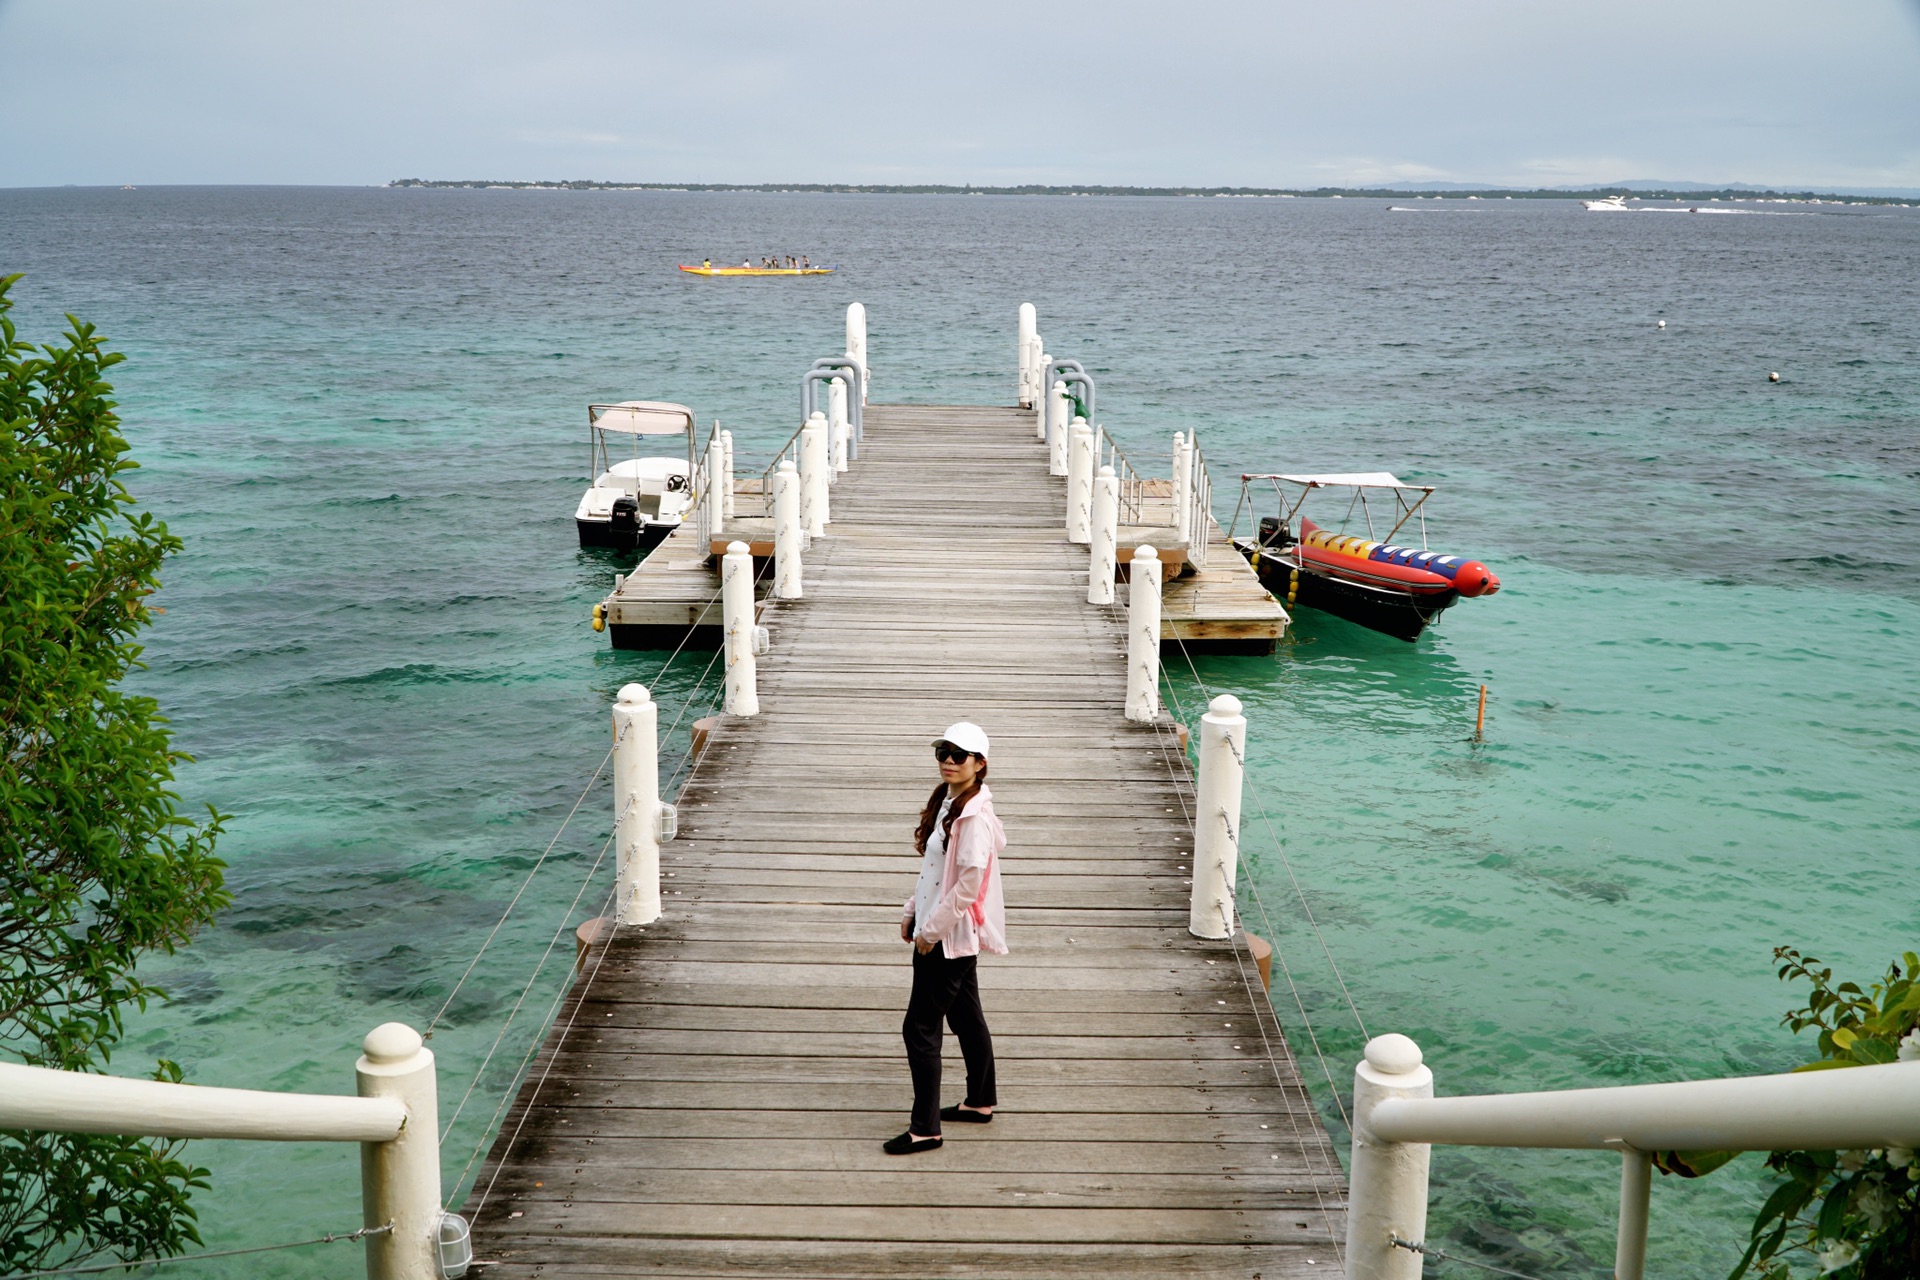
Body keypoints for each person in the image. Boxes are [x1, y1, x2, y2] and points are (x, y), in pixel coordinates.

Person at [886, 721, 1007, 1155]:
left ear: (980, 763)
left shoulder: (973, 818)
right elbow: (935, 875)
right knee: (966, 1016)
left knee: (919, 1028)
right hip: (945, 929)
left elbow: (967, 887)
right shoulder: (951, 801)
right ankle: (980, 1100)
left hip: (948, 938)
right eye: (943, 752)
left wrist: (929, 934)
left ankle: (925, 1129)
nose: (950, 762)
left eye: (960, 755)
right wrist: (912, 912)